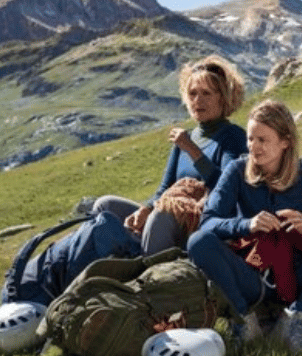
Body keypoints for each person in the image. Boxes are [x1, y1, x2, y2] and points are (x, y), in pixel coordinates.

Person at [187, 99, 302, 355]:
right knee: (197, 242)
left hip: (300, 273)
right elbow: (209, 221)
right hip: (253, 274)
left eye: (263, 140)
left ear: (285, 142)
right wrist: (246, 225)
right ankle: (244, 321)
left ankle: (294, 322)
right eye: (251, 139)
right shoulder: (237, 170)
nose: (253, 147)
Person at [92, 55, 247, 254]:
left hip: (199, 223)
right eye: (192, 94)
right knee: (105, 206)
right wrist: (145, 209)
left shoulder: (233, 137)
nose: (197, 101)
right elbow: (165, 188)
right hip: (165, 215)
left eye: (206, 93)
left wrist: (192, 150)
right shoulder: (185, 139)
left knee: (161, 215)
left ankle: (148, 269)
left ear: (223, 97)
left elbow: (227, 188)